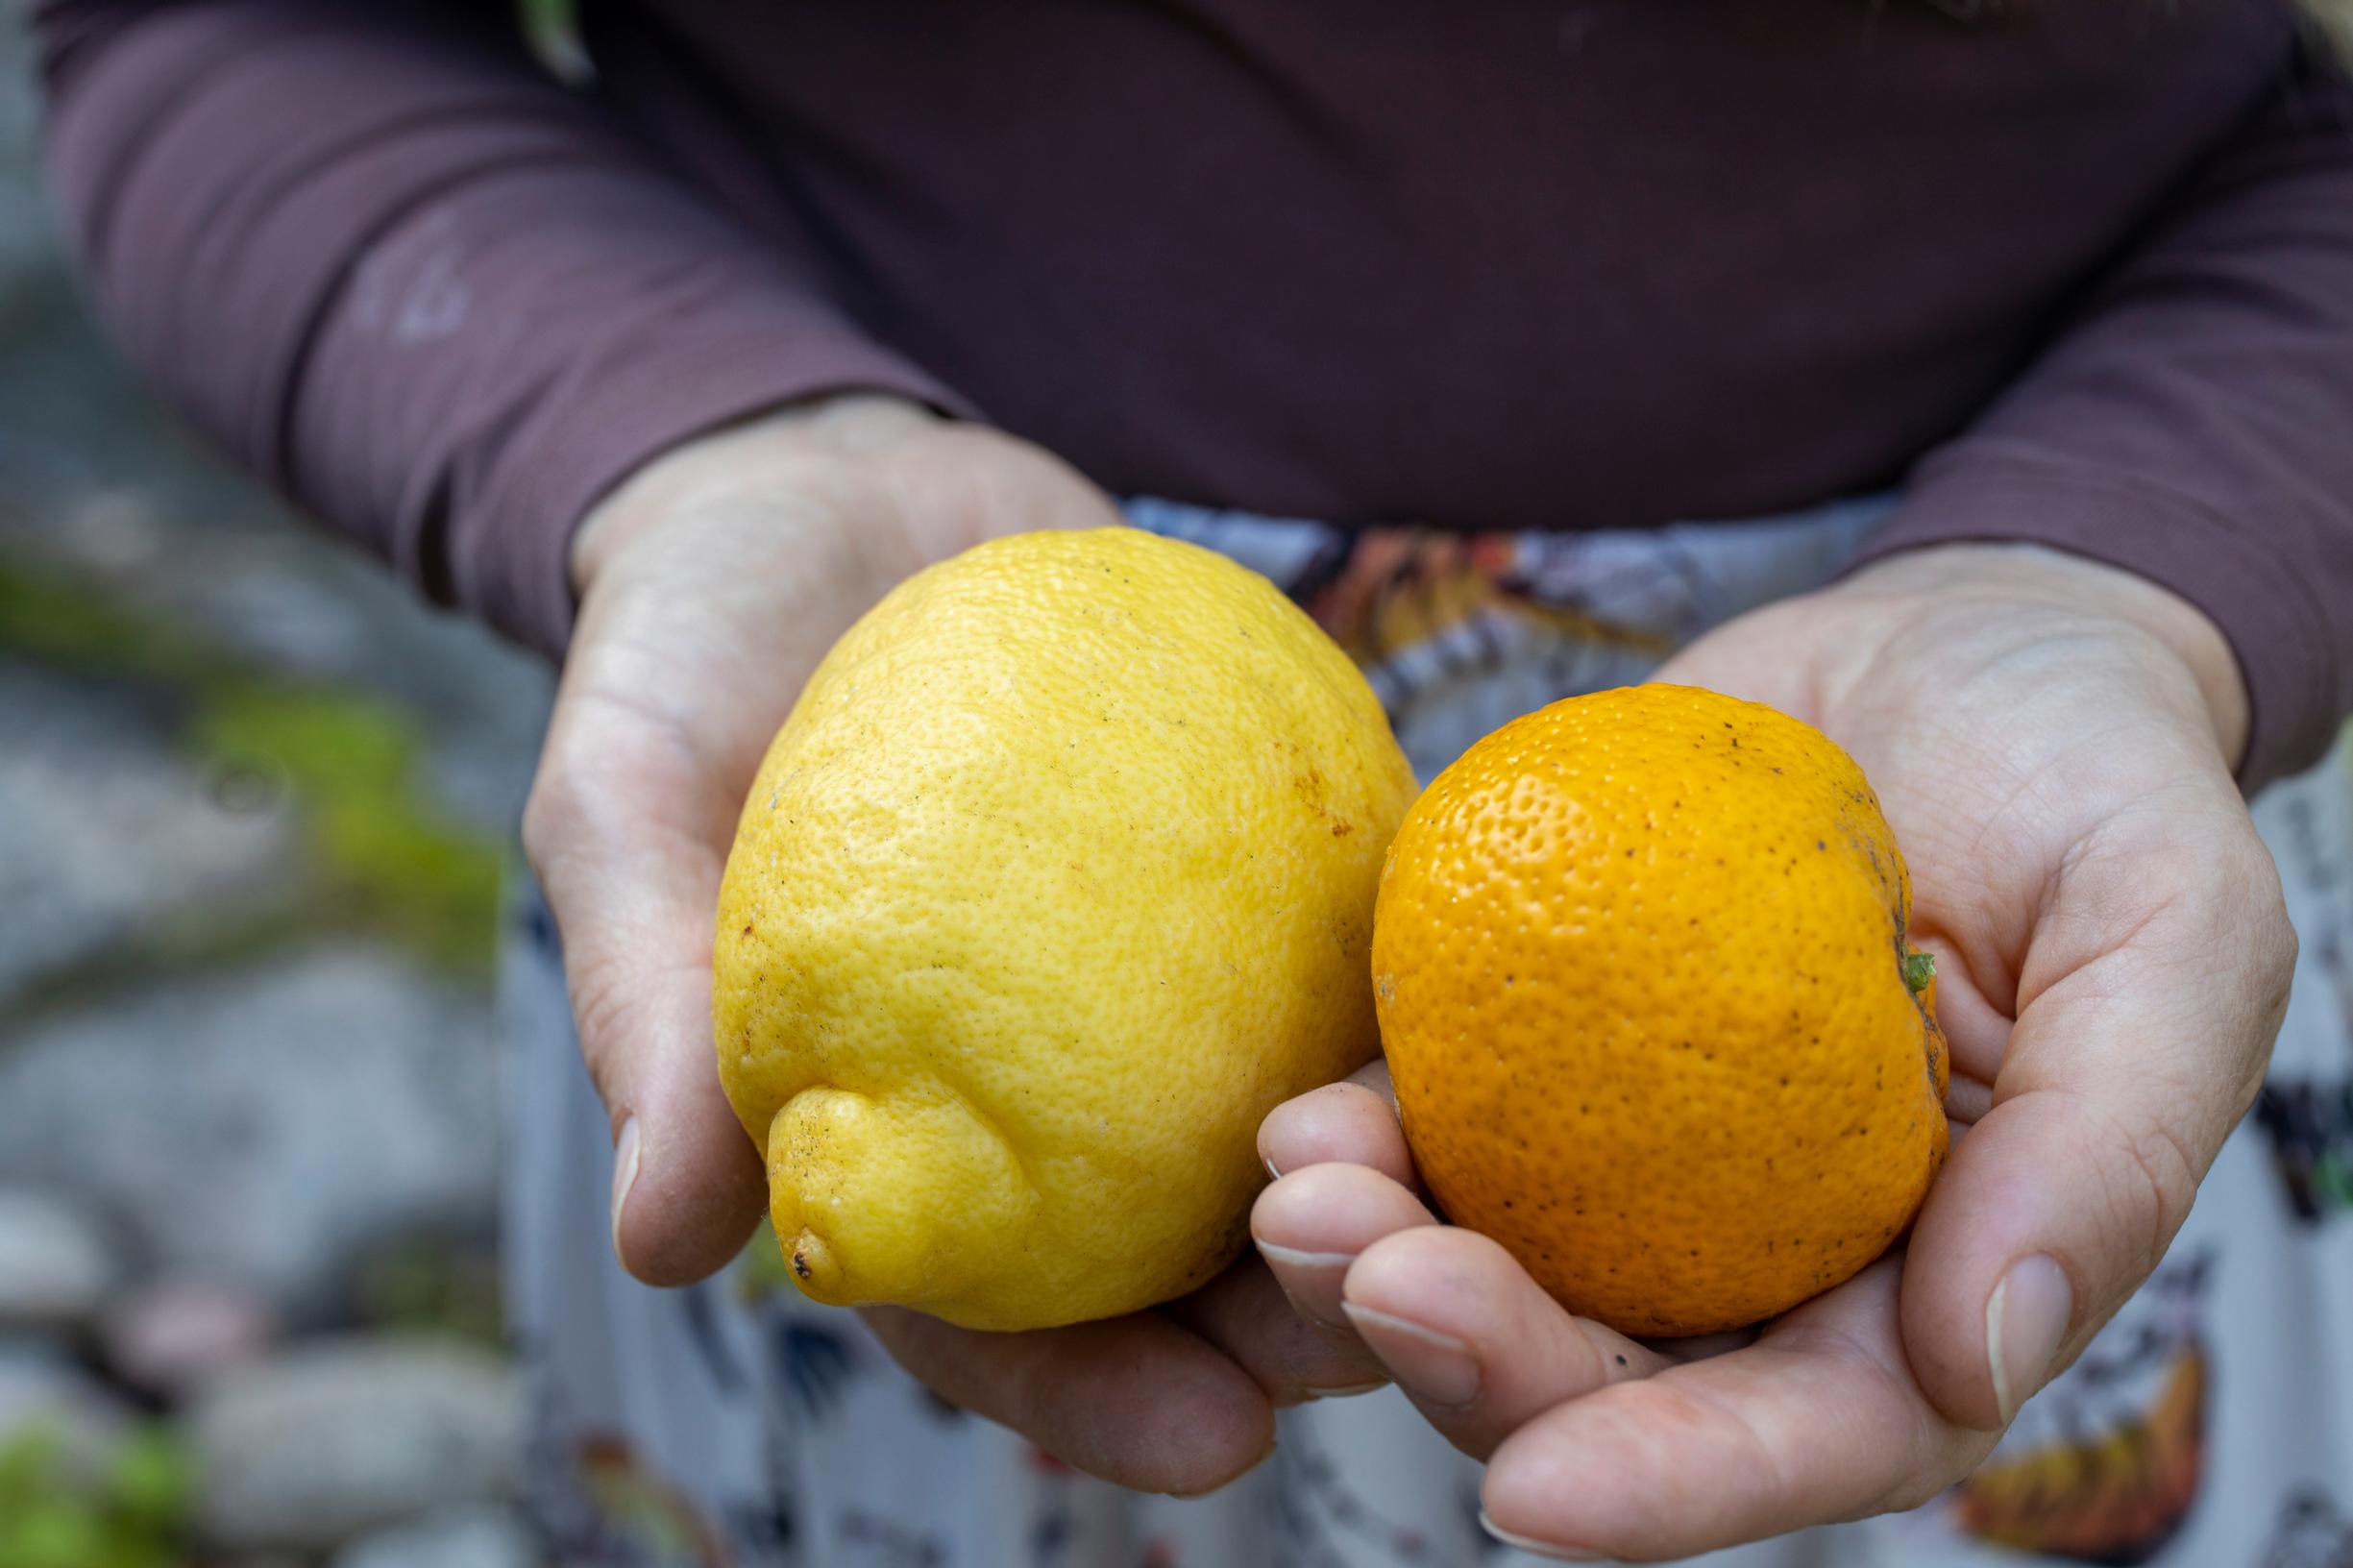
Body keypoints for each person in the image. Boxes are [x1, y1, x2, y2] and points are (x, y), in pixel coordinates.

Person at [33, 2, 2353, 1562]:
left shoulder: (1959, 904)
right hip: (890, 725)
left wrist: (2154, 564)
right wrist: (672, 442)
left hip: (1971, 865)